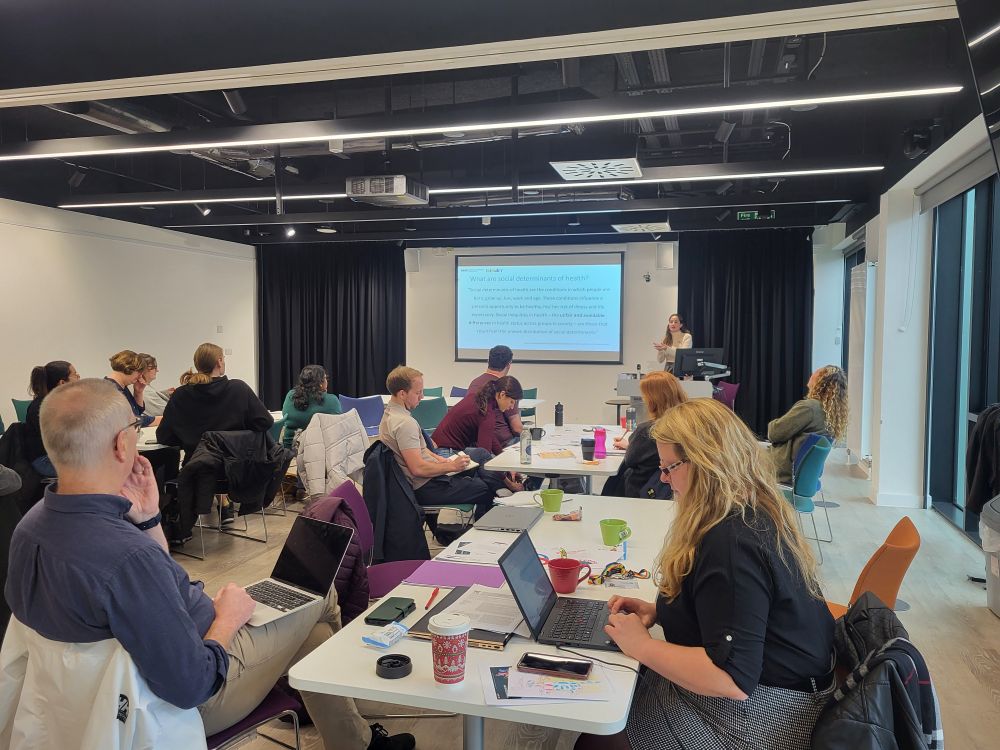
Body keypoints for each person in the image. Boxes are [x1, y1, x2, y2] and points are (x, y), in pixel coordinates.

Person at [2, 379, 413, 750]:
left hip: (82, 704)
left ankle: (353, 739)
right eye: (133, 426)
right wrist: (227, 621)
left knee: (314, 635)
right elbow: (192, 685)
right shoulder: (126, 557)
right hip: (187, 697)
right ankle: (359, 697)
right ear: (120, 446)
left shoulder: (30, 527)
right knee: (320, 597)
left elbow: (151, 592)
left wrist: (149, 520)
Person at [576, 398, 835, 750]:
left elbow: (731, 678)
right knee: (624, 686)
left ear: (705, 464)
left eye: (669, 468)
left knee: (598, 739)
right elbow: (732, 609)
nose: (663, 479)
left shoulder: (731, 543)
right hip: (783, 689)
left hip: (769, 716)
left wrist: (642, 645)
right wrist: (660, 611)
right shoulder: (752, 509)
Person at [156, 343, 273, 541]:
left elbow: (164, 437)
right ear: (219, 362)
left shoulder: (181, 395)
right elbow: (265, 422)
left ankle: (178, 525)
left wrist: (189, 439)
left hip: (197, 471)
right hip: (236, 472)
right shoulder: (238, 389)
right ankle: (225, 506)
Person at [380, 365, 505, 519]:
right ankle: (500, 502)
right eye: (418, 392)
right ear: (402, 394)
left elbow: (421, 449)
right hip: (427, 486)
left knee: (480, 454)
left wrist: (440, 460)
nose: (422, 397)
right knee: (486, 488)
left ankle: (503, 490)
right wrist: (451, 466)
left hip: (429, 478)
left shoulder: (390, 414)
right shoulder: (404, 423)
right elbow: (417, 469)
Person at [605, 371, 687, 497]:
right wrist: (629, 446)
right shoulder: (686, 425)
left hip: (641, 490)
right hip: (668, 491)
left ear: (653, 400)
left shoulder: (648, 430)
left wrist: (631, 446)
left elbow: (630, 460)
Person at [767, 365, 848, 484]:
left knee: (743, 456)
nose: (811, 375)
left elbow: (774, 433)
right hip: (800, 472)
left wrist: (773, 424)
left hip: (781, 469)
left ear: (821, 381)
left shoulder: (809, 408)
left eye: (815, 373)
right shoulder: (832, 414)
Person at [433, 376, 523, 457]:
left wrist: (502, 457)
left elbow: (490, 436)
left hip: (437, 447)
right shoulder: (486, 412)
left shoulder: (480, 398)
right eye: (512, 402)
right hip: (446, 452)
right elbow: (484, 453)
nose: (512, 407)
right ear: (502, 395)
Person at [22, 360, 80, 477]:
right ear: (62, 383)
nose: (79, 377)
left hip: (60, 455)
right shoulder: (42, 407)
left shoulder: (59, 403)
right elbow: (59, 442)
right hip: (44, 459)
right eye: (75, 374)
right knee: (94, 467)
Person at [467, 345, 523, 444]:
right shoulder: (506, 387)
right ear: (509, 365)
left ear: (488, 361)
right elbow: (517, 428)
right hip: (503, 442)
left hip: (476, 441)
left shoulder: (474, 383)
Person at [281, 365, 343, 449]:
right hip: (318, 450)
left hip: (289, 449)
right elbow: (337, 428)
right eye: (325, 378)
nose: (327, 381)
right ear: (320, 383)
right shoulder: (332, 400)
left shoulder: (290, 395)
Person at [105, 350, 157, 428]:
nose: (140, 376)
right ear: (128, 369)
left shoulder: (121, 386)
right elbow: (131, 420)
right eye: (139, 372)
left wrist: (138, 392)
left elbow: (137, 412)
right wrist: (161, 419)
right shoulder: (111, 391)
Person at [137, 353, 173, 417]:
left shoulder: (144, 389)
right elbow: (170, 412)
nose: (157, 370)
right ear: (144, 370)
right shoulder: (145, 391)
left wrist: (165, 393)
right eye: (154, 368)